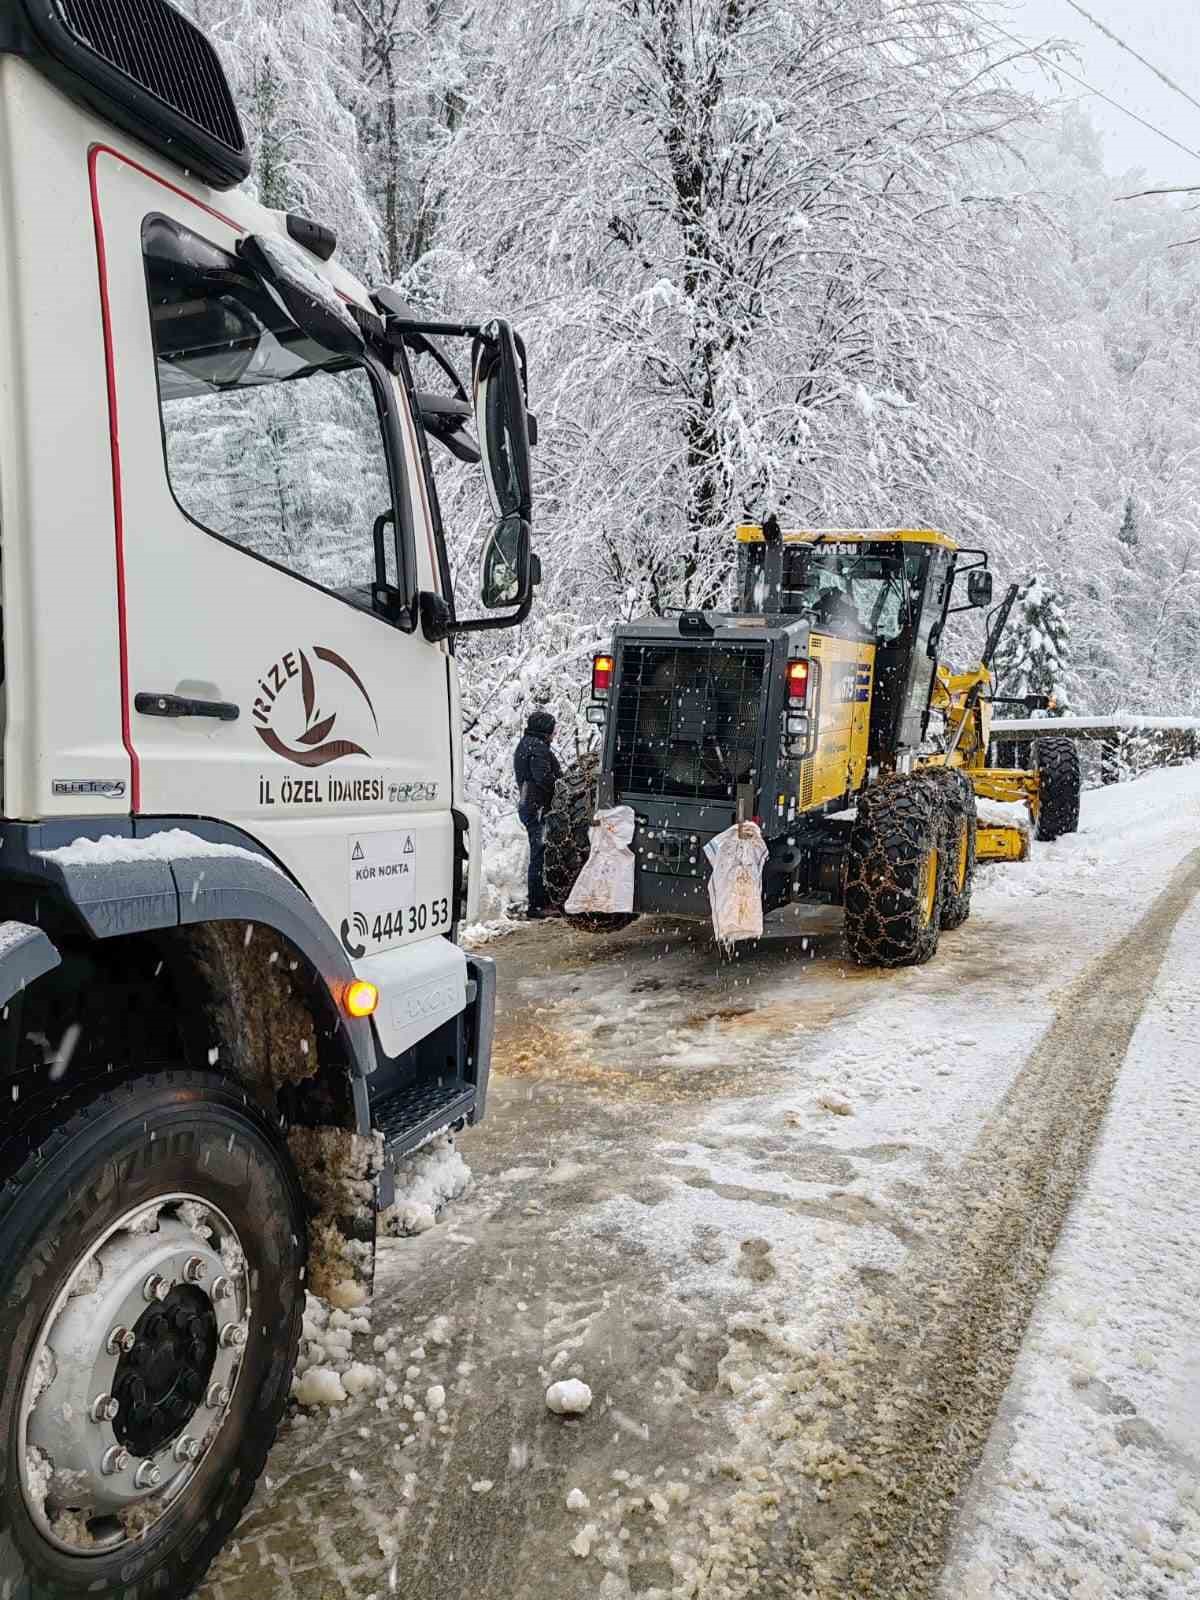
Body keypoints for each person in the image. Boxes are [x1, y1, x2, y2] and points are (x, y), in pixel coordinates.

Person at [514, 709, 563, 919]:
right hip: (537, 807)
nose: (554, 735)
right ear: (545, 730)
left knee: (540, 851)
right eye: (552, 730)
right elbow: (543, 777)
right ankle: (538, 904)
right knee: (540, 853)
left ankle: (541, 901)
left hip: (529, 804)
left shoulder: (527, 744)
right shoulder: (537, 747)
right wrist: (560, 788)